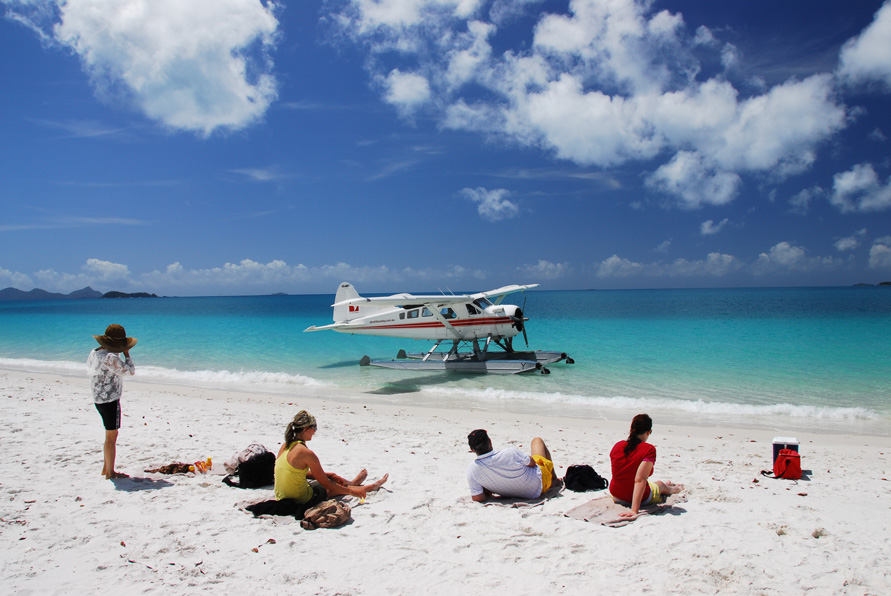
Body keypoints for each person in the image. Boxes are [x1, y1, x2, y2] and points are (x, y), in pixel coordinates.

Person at [274, 410, 388, 510]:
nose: (314, 432)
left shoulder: (285, 446)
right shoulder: (305, 453)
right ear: (307, 428)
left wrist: (331, 474)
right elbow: (326, 483)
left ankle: (353, 483)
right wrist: (351, 492)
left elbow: (294, 471)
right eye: (314, 428)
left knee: (326, 479)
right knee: (329, 488)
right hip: (300, 499)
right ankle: (367, 487)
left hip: (281, 496)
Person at [87, 324, 137, 480]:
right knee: (111, 436)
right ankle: (110, 473)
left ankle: (105, 468)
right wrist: (127, 355)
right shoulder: (110, 357)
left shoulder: (95, 353)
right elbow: (130, 371)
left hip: (98, 398)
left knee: (109, 435)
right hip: (110, 399)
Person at [609, 413, 683, 517]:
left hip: (616, 495)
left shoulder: (618, 446)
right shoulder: (649, 450)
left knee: (654, 484)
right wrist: (634, 510)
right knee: (660, 485)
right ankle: (675, 489)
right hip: (638, 498)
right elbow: (640, 480)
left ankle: (668, 486)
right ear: (649, 432)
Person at [465, 429, 558, 502]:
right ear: (490, 441)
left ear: (472, 449)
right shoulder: (509, 453)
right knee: (537, 441)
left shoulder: (472, 469)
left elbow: (478, 497)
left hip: (512, 492)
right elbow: (532, 463)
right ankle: (554, 480)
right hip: (537, 487)